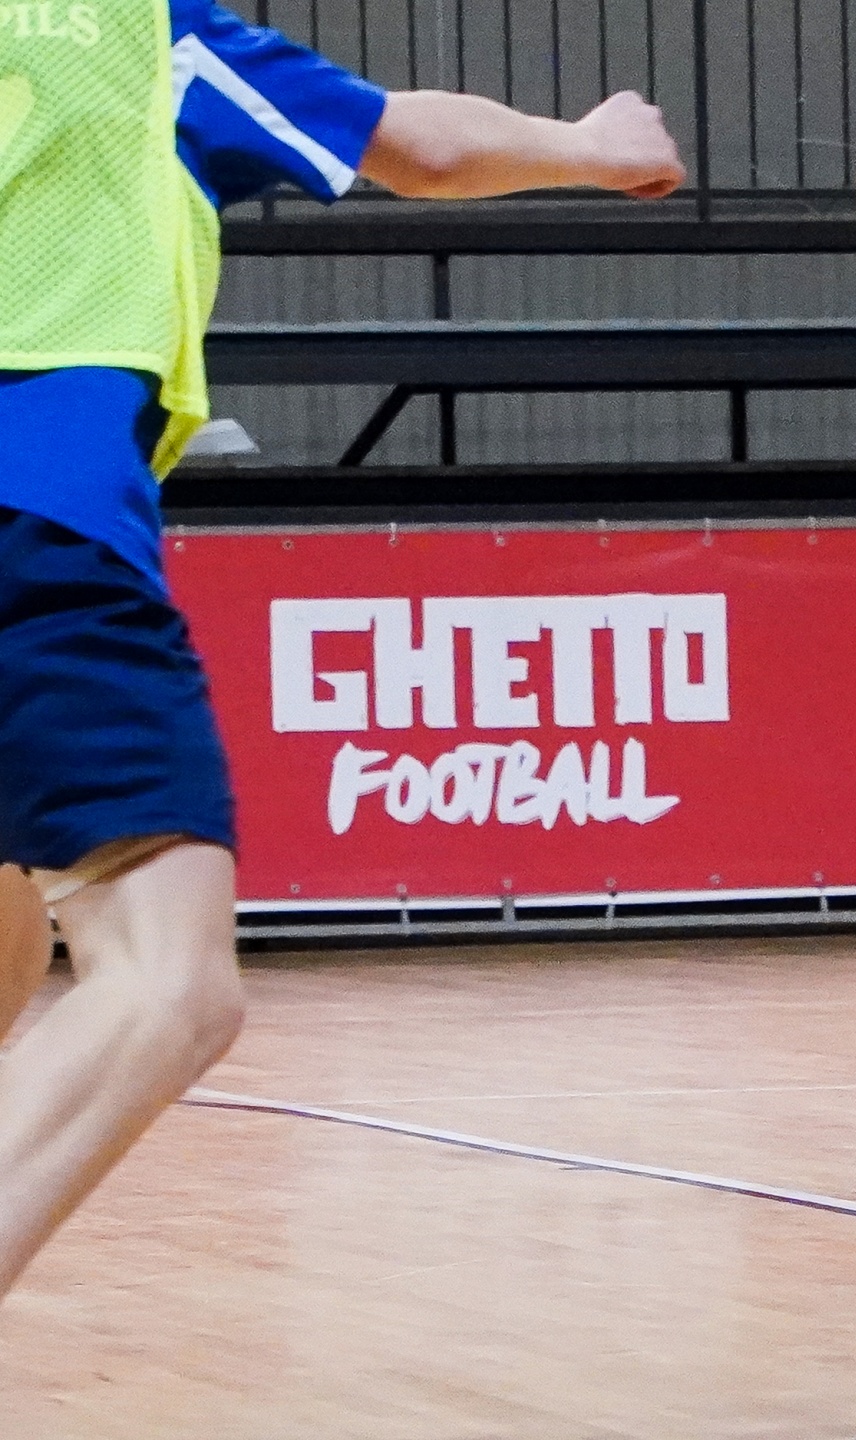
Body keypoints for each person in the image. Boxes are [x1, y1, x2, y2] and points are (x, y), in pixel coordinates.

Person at [0, 0, 682, 1300]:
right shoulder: (138, 31)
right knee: (169, 985)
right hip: (35, 505)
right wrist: (591, 145)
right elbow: (421, 146)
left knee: (11, 924)